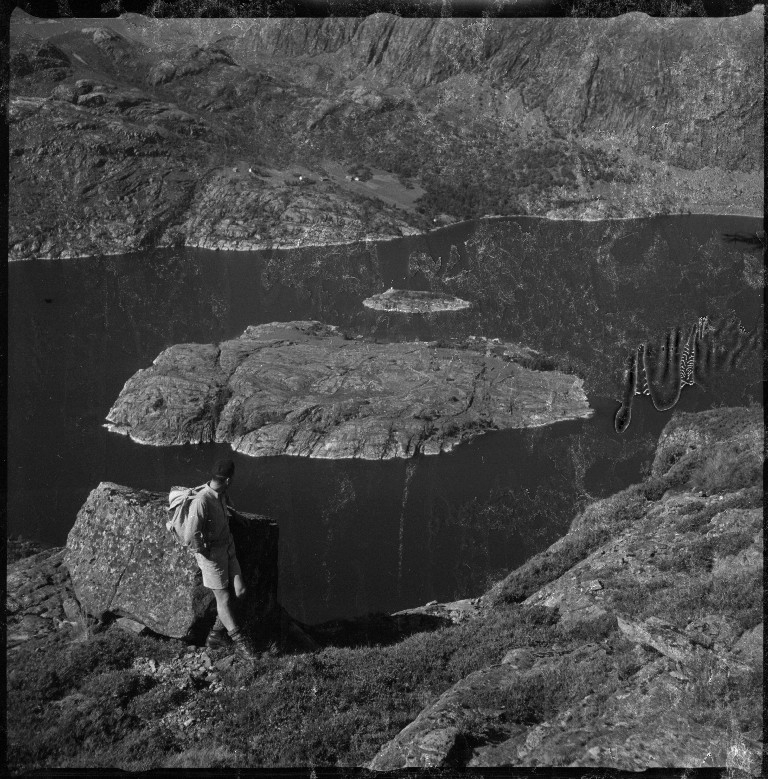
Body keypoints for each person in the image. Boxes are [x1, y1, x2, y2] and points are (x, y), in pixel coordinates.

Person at [187, 458, 259, 659]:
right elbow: (190, 535)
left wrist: (236, 516)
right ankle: (242, 644)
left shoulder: (221, 494)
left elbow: (223, 508)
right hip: (212, 556)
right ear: (228, 480)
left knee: (240, 590)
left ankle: (217, 633)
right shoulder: (202, 500)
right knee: (224, 598)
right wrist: (205, 552)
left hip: (228, 549)